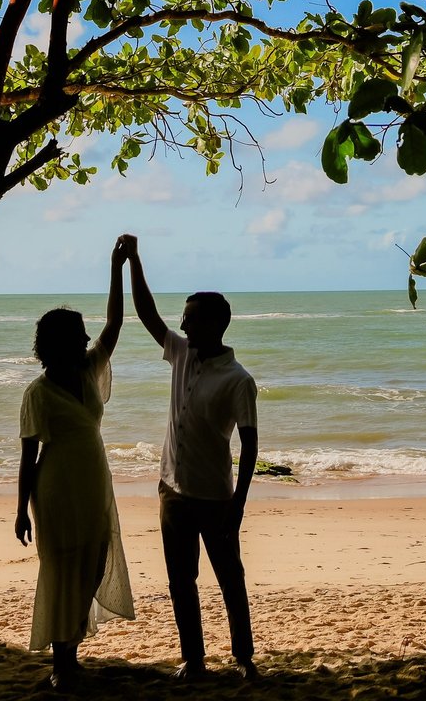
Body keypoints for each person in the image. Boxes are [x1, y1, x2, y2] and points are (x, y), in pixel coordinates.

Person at [126, 234, 259, 681]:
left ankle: (243, 658)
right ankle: (194, 659)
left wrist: (238, 504)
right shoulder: (182, 354)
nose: (182, 327)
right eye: (183, 319)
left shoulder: (238, 380)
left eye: (190, 320)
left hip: (215, 498)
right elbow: (146, 314)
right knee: (180, 582)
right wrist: (133, 261)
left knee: (229, 580)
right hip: (173, 494)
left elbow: (249, 444)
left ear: (215, 326)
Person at [15, 237, 136, 686]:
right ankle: (60, 663)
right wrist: (21, 510)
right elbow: (28, 458)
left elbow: (115, 324)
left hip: (94, 487)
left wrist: (117, 267)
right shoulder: (38, 393)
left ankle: (71, 655)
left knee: (90, 566)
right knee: (62, 570)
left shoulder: (87, 371)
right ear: (57, 342)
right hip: (57, 492)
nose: (87, 338)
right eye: (78, 333)